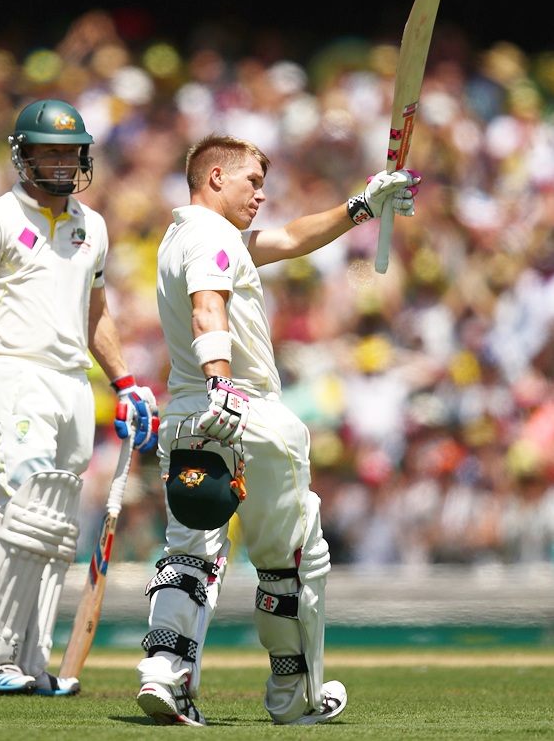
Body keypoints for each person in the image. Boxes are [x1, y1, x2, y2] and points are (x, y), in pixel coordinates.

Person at [135, 133, 420, 725]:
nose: (262, 195)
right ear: (215, 177)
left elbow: (291, 239)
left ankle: (165, 677)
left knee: (189, 554)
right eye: (253, 182)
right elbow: (207, 305)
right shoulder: (212, 237)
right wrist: (223, 380)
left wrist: (362, 206)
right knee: (293, 558)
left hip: (188, 414)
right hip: (246, 409)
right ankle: (296, 696)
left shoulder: (182, 235)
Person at [0, 99, 159, 696]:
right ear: (22, 154)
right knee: (29, 509)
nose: (60, 162)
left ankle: (29, 659)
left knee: (55, 526)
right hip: (14, 372)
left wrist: (125, 381)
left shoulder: (93, 225)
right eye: (47, 151)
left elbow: (95, 312)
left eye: (69, 152)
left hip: (72, 380)